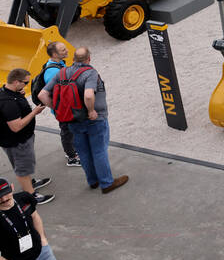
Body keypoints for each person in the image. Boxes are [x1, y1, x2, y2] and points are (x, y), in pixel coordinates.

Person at [57, 47, 128, 193]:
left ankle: (93, 181)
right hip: (94, 120)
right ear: (89, 59)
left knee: (83, 152)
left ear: (73, 59)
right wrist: (91, 110)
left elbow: (43, 95)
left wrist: (61, 111)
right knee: (99, 151)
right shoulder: (90, 73)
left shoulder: (62, 73)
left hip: (73, 120)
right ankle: (107, 183)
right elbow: (89, 95)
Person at [0, 70, 53, 204]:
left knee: (22, 165)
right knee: (22, 169)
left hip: (14, 139)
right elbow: (16, 126)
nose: (26, 85)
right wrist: (34, 112)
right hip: (18, 141)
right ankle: (30, 196)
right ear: (16, 82)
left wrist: (19, 95)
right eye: (26, 83)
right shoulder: (8, 102)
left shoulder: (7, 92)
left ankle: (30, 183)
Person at [0, 178, 66, 260]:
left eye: (6, 193)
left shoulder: (24, 198)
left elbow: (35, 216)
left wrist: (43, 241)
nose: (4, 199)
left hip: (42, 255)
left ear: (12, 188)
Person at [32, 43, 80, 168]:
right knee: (67, 131)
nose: (67, 50)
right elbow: (49, 94)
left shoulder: (58, 64)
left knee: (70, 130)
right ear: (54, 54)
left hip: (65, 108)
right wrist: (57, 108)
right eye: (63, 50)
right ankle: (72, 157)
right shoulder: (53, 72)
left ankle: (71, 150)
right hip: (64, 110)